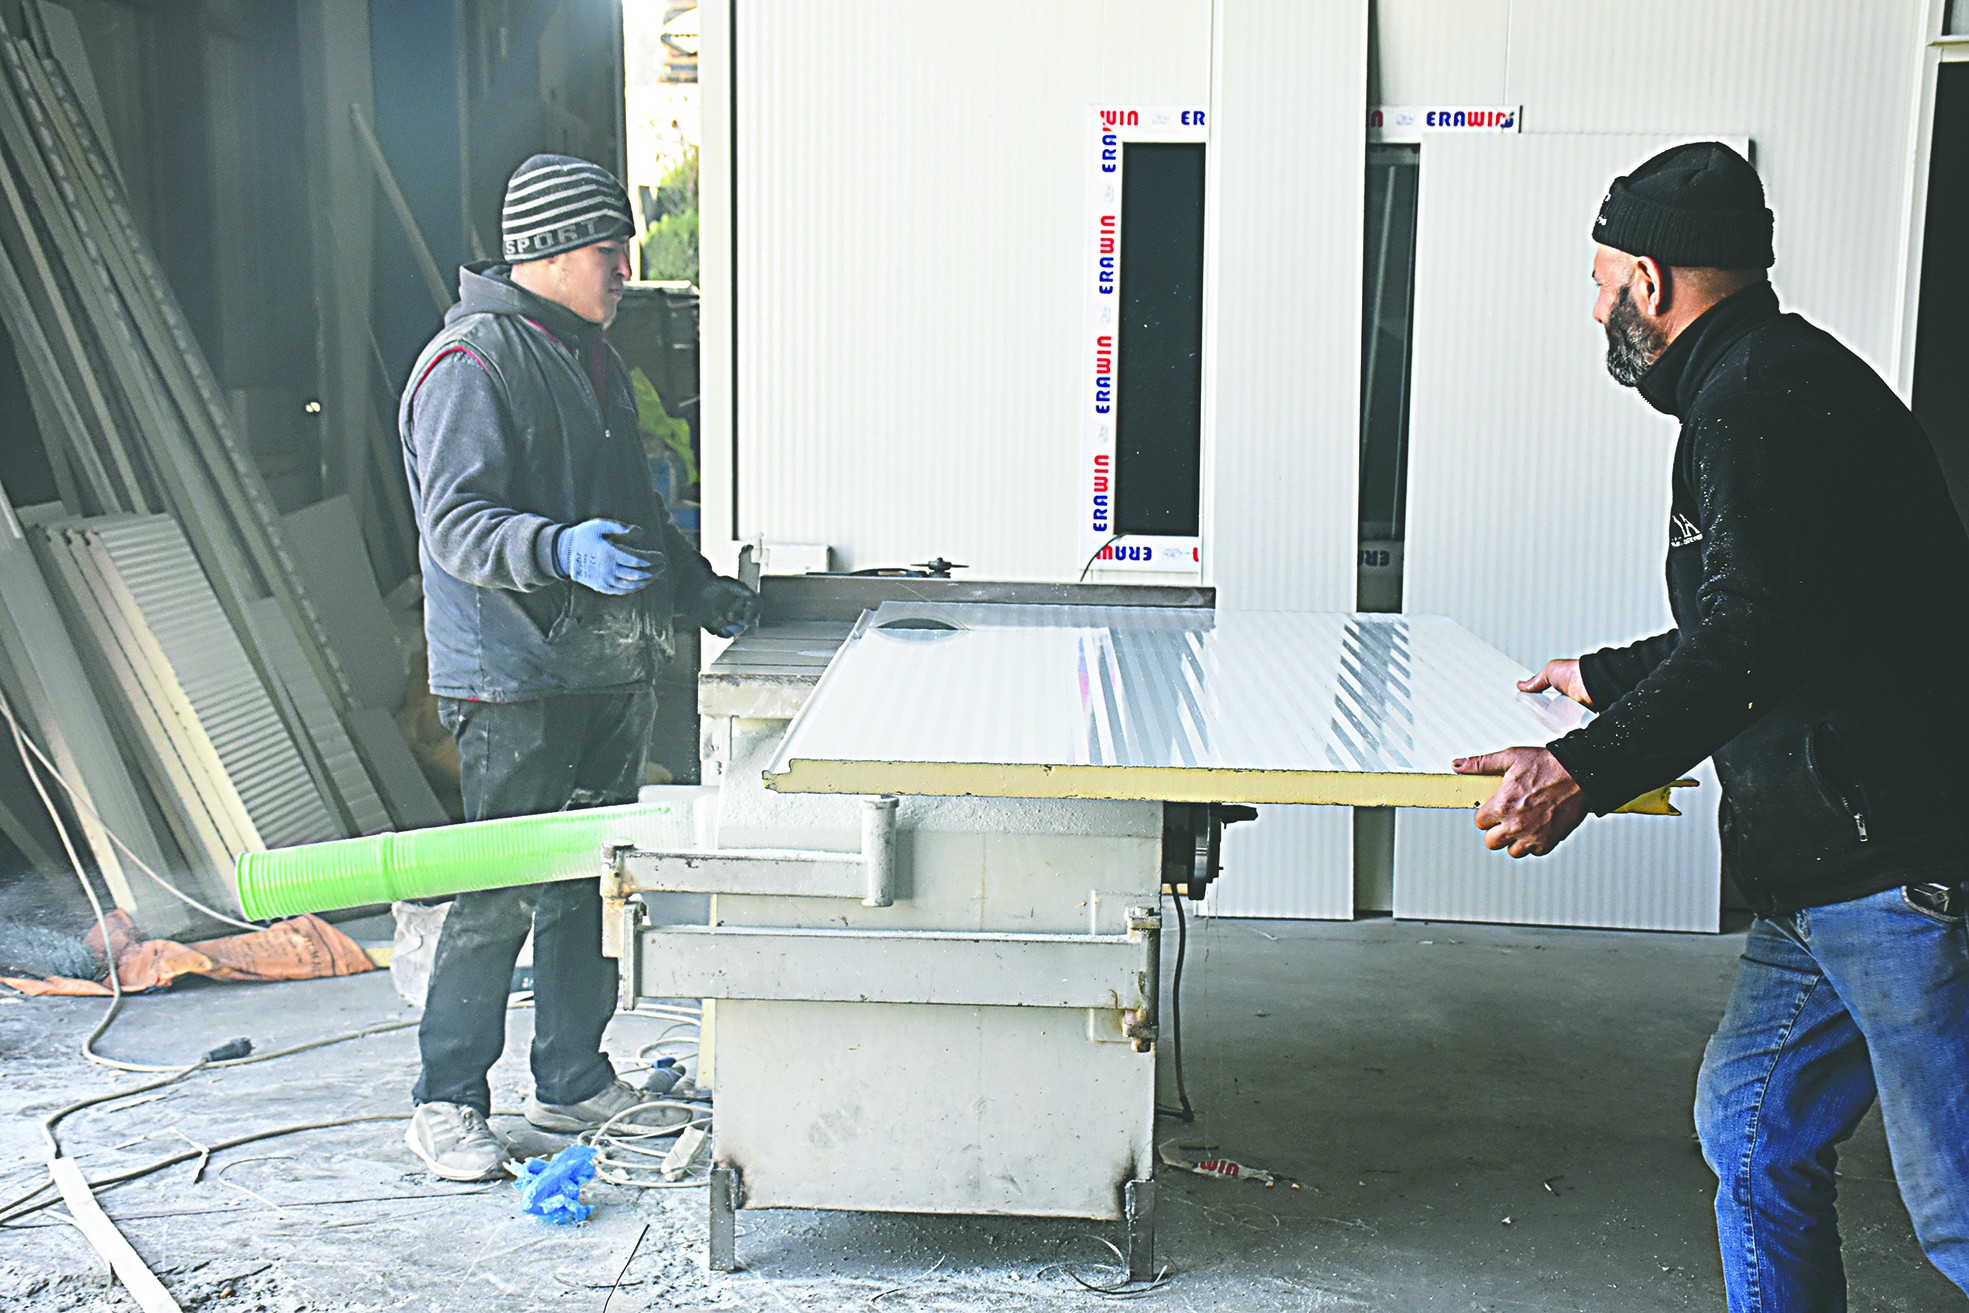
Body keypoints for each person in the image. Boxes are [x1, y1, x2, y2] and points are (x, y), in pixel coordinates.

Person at [1451, 141, 1969, 1309]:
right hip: (1827, 861)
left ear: (1650, 278)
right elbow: (1797, 606)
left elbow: (1758, 628)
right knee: (1752, 1120)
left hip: (1890, 869)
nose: (1594, 309)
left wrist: (1581, 768)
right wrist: (1603, 670)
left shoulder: (1758, 404)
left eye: (1598, 283)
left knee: (1960, 1209)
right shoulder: (1776, 381)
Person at [396, 153, 760, 1181]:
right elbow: (458, 524)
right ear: (550, 252)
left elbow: (635, 519)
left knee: (584, 884)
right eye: (609, 250)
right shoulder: (469, 364)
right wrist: (557, 549)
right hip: (511, 675)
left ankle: (568, 1078)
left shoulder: (588, 356)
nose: (623, 269)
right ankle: (446, 1099)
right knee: (496, 888)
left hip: (604, 668)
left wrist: (696, 589)